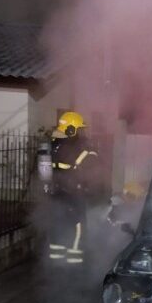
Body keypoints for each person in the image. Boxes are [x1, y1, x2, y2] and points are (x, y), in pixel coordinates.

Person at [47, 111, 99, 264]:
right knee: (78, 224)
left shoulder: (52, 144)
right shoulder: (77, 148)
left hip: (56, 192)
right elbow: (92, 167)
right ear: (71, 130)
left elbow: (45, 169)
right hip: (73, 192)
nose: (81, 132)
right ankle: (75, 258)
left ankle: (56, 258)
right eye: (79, 129)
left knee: (58, 222)